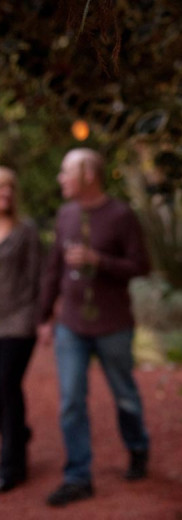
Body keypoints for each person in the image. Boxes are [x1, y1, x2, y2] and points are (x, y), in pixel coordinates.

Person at [39, 148, 151, 507]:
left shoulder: (120, 216)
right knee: (71, 400)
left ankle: (137, 448)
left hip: (113, 325)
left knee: (124, 394)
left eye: (66, 172)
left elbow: (140, 266)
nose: (60, 179)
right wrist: (44, 317)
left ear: (88, 174)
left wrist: (98, 261)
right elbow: (54, 268)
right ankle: (77, 476)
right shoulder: (65, 214)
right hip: (70, 326)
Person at [0, 166, 41, 493]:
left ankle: (12, 466)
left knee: (6, 385)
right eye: (1, 189)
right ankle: (19, 433)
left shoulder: (26, 230)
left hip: (18, 321)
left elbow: (35, 278)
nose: (6, 195)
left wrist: (37, 317)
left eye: (10, 189)